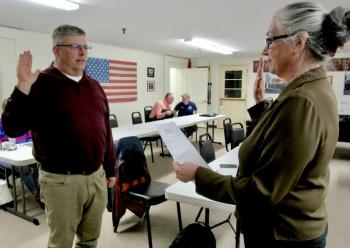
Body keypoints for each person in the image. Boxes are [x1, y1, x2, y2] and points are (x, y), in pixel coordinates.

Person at [173, 2, 350, 248]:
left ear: (299, 43)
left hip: (281, 233)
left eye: (270, 39)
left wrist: (198, 175)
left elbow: (261, 193)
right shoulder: (310, 89)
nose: (265, 51)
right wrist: (260, 106)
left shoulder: (301, 100)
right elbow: (283, 144)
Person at [1, 24, 116, 248]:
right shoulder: (39, 83)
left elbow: (105, 129)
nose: (83, 52)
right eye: (75, 46)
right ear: (56, 50)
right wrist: (22, 85)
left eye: (85, 47)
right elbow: (12, 128)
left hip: (96, 177)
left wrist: (110, 168)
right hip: (61, 181)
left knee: (90, 240)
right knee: (61, 243)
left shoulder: (94, 86)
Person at [0, 119, 42, 208]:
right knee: (24, 168)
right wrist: (4, 145)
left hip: (22, 153)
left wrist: (25, 144)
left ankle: (40, 191)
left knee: (38, 164)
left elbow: (30, 139)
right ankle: (36, 192)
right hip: (4, 156)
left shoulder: (23, 124)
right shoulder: (1, 124)